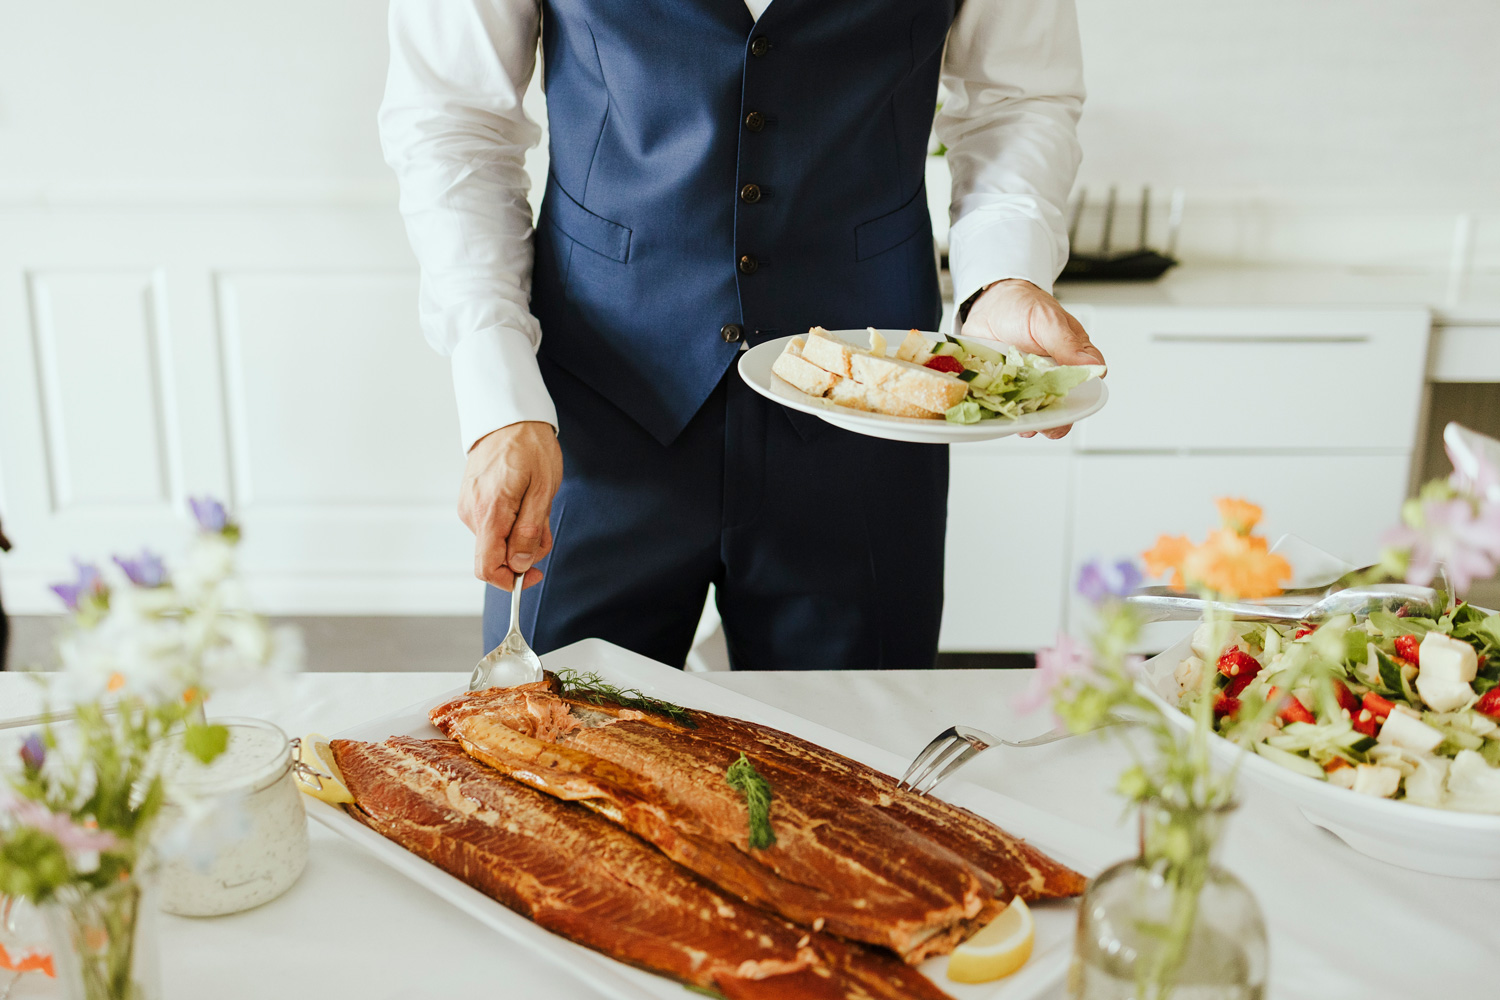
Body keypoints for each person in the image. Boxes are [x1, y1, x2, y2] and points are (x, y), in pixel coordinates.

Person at [381, 0, 1103, 670]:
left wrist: (1005, 276)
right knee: (554, 752)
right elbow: (453, 123)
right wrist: (499, 397)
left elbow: (1019, 98)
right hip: (590, 410)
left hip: (870, 415)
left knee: (858, 767)